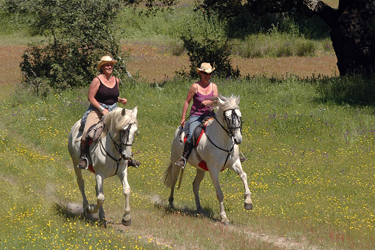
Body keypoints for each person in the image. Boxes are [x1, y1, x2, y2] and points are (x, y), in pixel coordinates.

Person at [78, 55, 140, 169]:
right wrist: (102, 109)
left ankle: (127, 157)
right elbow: (91, 97)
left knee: (126, 128)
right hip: (97, 109)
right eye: (106, 65)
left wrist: (120, 99)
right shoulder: (97, 80)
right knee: (87, 131)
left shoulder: (115, 80)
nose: (109, 66)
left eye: (111, 65)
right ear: (101, 67)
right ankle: (84, 157)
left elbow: (111, 96)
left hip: (113, 109)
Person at [175, 62, 218, 168]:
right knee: (190, 135)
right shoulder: (195, 86)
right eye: (205, 74)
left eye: (209, 74)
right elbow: (187, 102)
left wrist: (210, 102)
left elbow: (216, 101)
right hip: (197, 116)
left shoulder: (214, 86)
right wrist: (183, 118)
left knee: (226, 128)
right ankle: (184, 158)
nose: (208, 76)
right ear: (200, 73)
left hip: (211, 114)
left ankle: (233, 155)